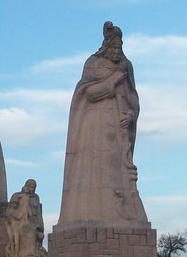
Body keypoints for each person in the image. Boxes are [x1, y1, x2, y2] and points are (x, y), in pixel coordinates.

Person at [58, 21, 148, 225]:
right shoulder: (93, 64)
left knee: (118, 168)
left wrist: (131, 115)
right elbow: (88, 92)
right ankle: (92, 211)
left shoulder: (126, 66)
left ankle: (122, 210)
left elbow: (133, 97)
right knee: (96, 168)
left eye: (120, 48)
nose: (117, 52)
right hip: (95, 123)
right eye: (114, 48)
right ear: (106, 47)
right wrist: (112, 82)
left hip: (118, 126)